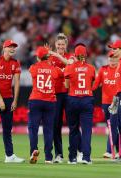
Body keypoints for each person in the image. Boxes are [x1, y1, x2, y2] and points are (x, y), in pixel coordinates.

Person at [48, 33, 82, 163]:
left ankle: (79, 151)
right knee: (56, 125)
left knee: (73, 124)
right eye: (58, 44)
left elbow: (70, 64)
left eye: (63, 44)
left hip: (69, 94)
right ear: (55, 45)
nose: (61, 46)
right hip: (55, 94)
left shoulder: (71, 56)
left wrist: (57, 56)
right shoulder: (50, 58)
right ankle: (59, 154)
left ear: (66, 45)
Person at [64, 44, 95, 164]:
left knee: (73, 129)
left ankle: (72, 157)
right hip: (87, 99)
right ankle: (86, 158)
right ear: (85, 55)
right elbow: (91, 82)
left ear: (75, 55)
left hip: (73, 100)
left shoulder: (69, 67)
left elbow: (66, 85)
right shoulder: (91, 68)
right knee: (87, 130)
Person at [28, 46, 58, 164]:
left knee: (33, 128)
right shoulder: (53, 68)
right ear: (48, 56)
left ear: (38, 57)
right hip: (50, 101)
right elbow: (58, 74)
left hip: (36, 99)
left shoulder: (33, 67)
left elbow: (33, 70)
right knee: (48, 130)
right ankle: (48, 157)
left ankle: (33, 150)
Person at [92, 50, 120, 158]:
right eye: (111, 58)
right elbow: (96, 85)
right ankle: (118, 151)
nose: (112, 60)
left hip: (116, 101)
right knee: (112, 126)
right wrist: (87, 89)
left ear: (118, 59)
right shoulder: (103, 70)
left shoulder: (120, 70)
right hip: (105, 103)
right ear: (108, 59)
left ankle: (109, 150)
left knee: (112, 126)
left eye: (114, 58)